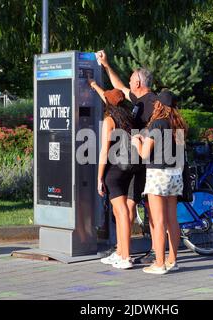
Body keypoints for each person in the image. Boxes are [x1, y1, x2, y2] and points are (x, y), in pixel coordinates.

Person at [96, 50, 157, 264]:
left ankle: (147, 255)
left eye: (131, 79)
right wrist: (105, 65)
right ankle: (122, 251)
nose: (128, 82)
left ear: (139, 82)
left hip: (148, 161)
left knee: (148, 210)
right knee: (129, 208)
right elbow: (118, 88)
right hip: (135, 161)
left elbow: (161, 128)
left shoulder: (153, 103)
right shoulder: (135, 100)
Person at [131, 90, 187, 274]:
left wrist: (136, 141)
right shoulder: (178, 124)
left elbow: (145, 154)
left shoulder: (158, 124)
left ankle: (159, 263)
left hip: (158, 174)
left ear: (159, 105)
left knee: (158, 220)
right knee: (172, 220)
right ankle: (172, 260)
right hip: (175, 175)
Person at [89, 80, 135, 270]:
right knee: (120, 211)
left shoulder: (109, 121)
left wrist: (99, 177)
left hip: (114, 170)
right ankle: (121, 252)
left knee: (121, 211)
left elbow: (103, 151)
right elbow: (109, 97)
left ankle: (125, 256)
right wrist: (94, 86)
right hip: (130, 168)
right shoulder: (128, 117)